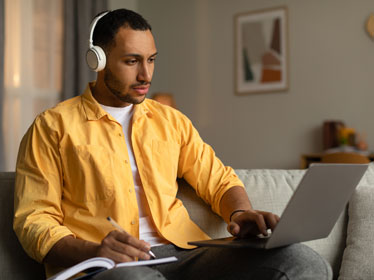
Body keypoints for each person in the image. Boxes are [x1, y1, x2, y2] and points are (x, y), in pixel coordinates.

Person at [13, 9, 332, 280]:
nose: (145, 74)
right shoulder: (52, 126)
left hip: (184, 255)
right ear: (98, 60)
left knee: (302, 262)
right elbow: (34, 219)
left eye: (151, 60)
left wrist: (241, 212)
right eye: (131, 61)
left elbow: (220, 181)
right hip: (109, 267)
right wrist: (96, 251)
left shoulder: (171, 122)